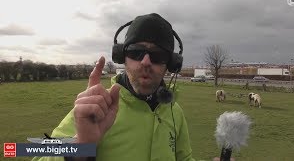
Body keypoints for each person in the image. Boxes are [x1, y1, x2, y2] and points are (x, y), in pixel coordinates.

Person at [32, 13, 231, 161]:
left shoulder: (174, 112)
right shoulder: (96, 110)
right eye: (136, 51)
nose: (145, 61)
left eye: (158, 55)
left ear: (170, 64)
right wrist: (80, 146)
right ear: (122, 57)